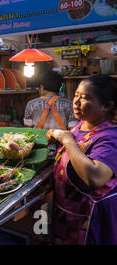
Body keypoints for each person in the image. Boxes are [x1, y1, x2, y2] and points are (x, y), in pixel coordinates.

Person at [46, 75, 117, 245]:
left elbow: (95, 177)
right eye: (76, 95)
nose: (76, 102)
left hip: (92, 218)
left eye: (84, 98)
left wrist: (67, 139)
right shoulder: (81, 126)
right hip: (68, 211)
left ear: (107, 105)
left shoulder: (111, 137)